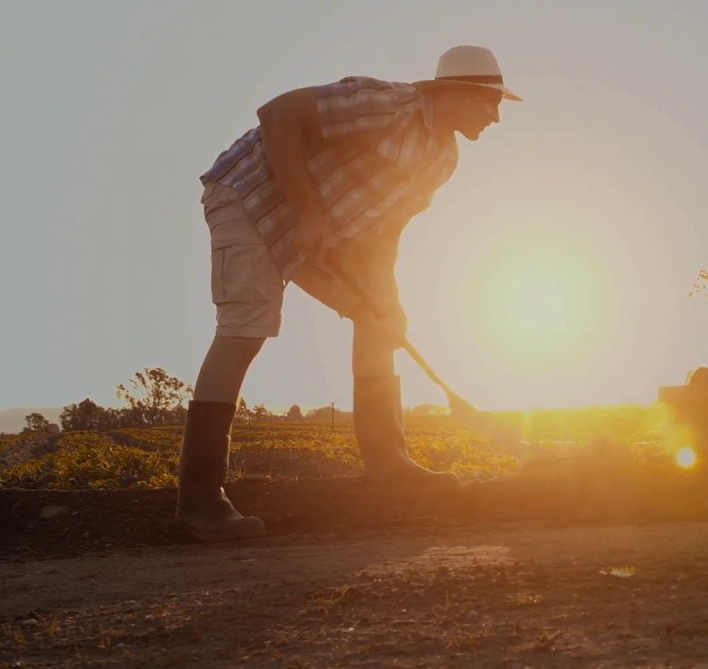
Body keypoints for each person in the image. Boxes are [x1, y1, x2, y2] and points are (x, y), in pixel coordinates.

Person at [175, 46, 522, 542]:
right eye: (490, 102)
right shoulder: (385, 105)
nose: (495, 116)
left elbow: (385, 234)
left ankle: (390, 466)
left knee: (377, 321)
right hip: (250, 199)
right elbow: (277, 115)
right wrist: (309, 213)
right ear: (458, 94)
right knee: (247, 327)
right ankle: (200, 500)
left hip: (314, 229)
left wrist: (388, 300)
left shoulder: (442, 160)